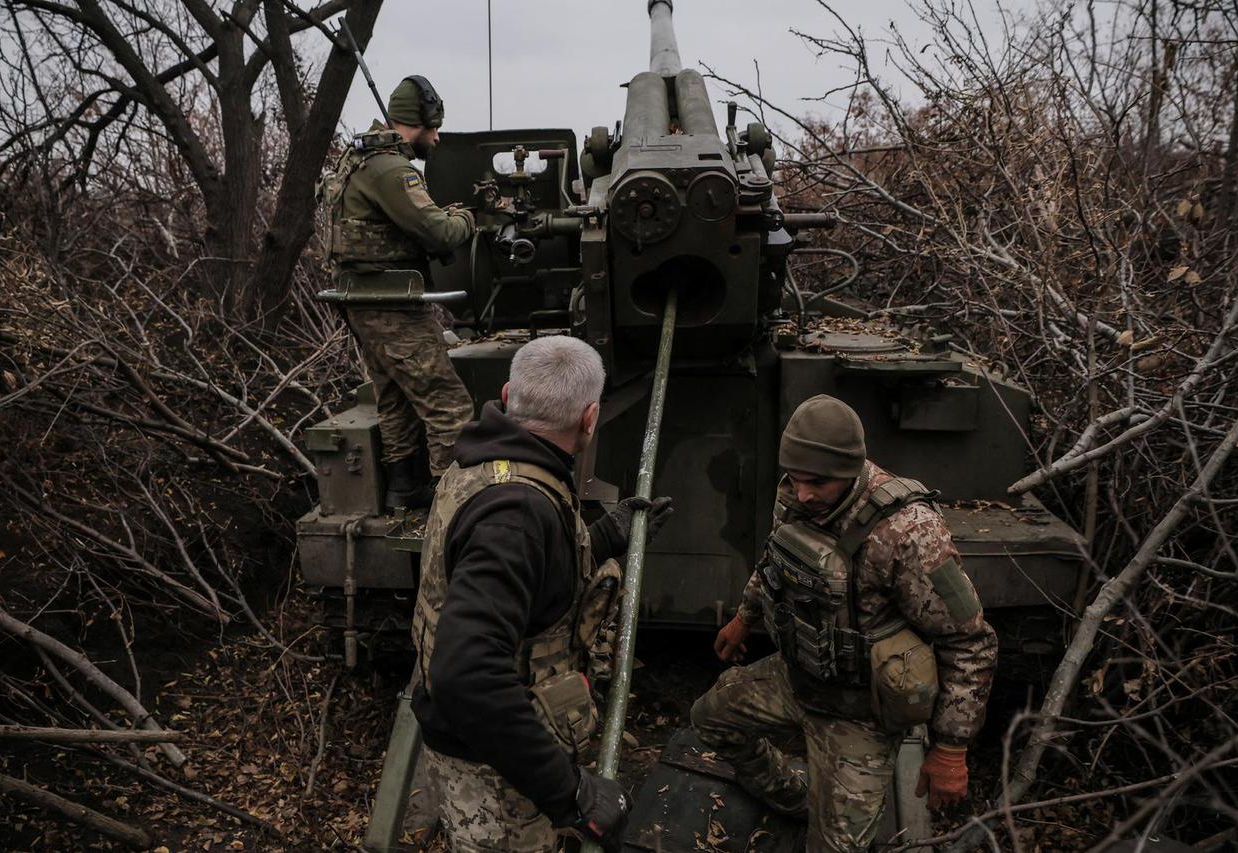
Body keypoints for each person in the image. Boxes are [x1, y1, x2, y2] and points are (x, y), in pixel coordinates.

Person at [691, 395, 998, 853]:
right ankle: (793, 798)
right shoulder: (797, 494)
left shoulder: (908, 532)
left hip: (862, 714)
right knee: (710, 721)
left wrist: (951, 750)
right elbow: (777, 560)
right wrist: (745, 615)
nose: (803, 494)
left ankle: (831, 817)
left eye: (817, 482)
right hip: (796, 677)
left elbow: (970, 642)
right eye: (795, 480)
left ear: (851, 470)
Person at [409, 335, 674, 852]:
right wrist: (571, 793)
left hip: (490, 749)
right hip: (494, 773)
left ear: (508, 396)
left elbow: (526, 589)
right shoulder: (518, 515)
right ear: (590, 418)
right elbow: (466, 674)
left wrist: (602, 541)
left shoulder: (487, 465)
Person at [320, 75, 477, 507]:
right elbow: (440, 233)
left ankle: (403, 492)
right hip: (395, 308)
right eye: (435, 128)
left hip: (363, 302)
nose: (439, 137)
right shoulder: (392, 169)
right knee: (450, 409)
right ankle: (451, 507)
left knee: (395, 402)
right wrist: (467, 218)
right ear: (421, 122)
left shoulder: (358, 159)